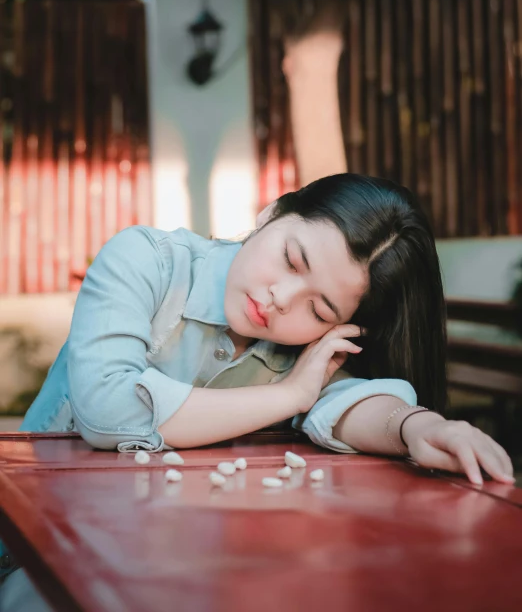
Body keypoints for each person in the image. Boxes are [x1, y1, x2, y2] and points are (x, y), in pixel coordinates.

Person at [0, 173, 514, 607]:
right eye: (292, 260)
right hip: (38, 543)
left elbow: (346, 401)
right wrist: (287, 396)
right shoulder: (148, 261)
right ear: (270, 213)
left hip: (183, 561)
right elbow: (108, 408)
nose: (281, 300)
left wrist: (417, 426)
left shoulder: (303, 351)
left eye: (320, 310)